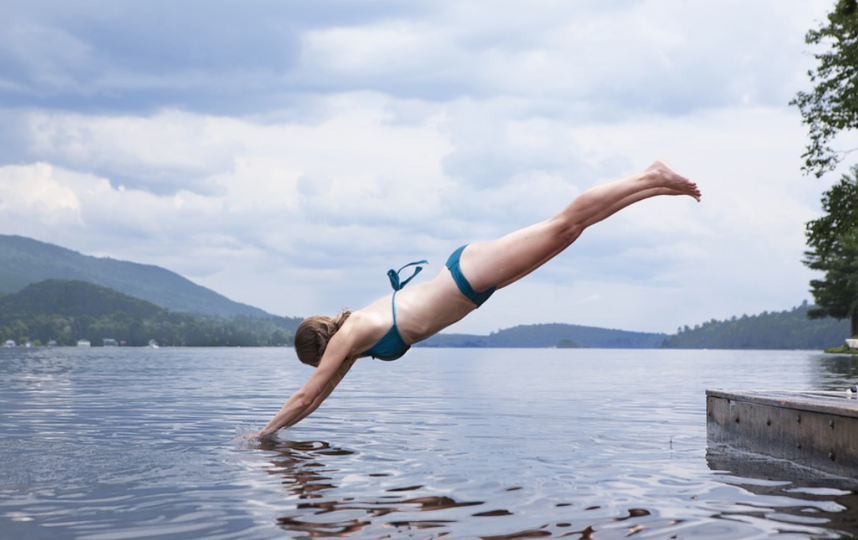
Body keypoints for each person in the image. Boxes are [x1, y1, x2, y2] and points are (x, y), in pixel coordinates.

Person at [259, 160, 701, 437]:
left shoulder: (350, 335)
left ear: (318, 349)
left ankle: (651, 177)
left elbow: (303, 397)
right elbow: (317, 399)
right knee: (570, 232)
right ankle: (655, 186)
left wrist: (257, 437)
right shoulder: (353, 344)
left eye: (316, 364)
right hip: (475, 288)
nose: (323, 370)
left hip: (465, 276)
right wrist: (275, 436)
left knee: (564, 223)